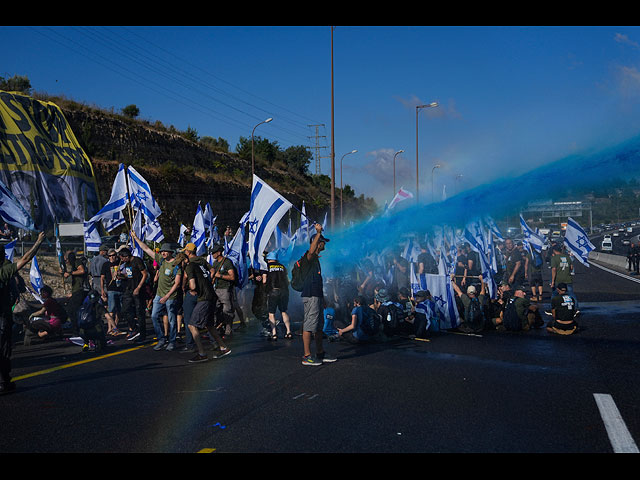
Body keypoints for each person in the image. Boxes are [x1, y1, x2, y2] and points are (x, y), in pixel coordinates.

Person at [0, 231, 46, 395]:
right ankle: (4, 381)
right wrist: (38, 242)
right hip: (2, 316)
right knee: (3, 349)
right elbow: (25, 259)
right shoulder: (3, 271)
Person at [132, 235, 182, 351]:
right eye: (162, 251)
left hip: (170, 296)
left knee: (171, 319)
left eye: (165, 251)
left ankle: (172, 341)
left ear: (170, 252)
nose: (163, 253)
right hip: (159, 294)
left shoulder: (176, 265)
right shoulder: (161, 260)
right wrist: (136, 238)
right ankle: (161, 339)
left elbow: (177, 283)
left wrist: (167, 296)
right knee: (154, 316)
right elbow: (146, 249)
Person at [182, 243, 230, 363]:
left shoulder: (190, 265)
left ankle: (202, 353)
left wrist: (189, 287)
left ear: (187, 254)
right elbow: (212, 271)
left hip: (203, 297)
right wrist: (207, 281)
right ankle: (223, 348)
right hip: (211, 295)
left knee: (192, 325)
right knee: (209, 325)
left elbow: (192, 285)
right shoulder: (201, 262)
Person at [298, 223, 336, 366]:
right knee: (309, 325)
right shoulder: (309, 257)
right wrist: (318, 233)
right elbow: (311, 250)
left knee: (318, 326)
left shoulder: (317, 260)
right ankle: (306, 356)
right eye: (322, 242)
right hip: (310, 295)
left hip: (317, 296)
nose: (324, 244)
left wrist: (323, 298)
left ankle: (320, 353)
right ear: (318, 243)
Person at [116, 247, 148, 342]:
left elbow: (144, 274)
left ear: (126, 256)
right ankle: (134, 327)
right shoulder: (126, 264)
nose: (121, 260)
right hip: (129, 289)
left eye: (122, 258)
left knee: (139, 313)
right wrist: (121, 275)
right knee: (124, 310)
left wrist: (138, 287)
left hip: (138, 289)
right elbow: (129, 275)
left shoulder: (137, 261)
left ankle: (142, 334)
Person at [210, 244, 237, 338]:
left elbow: (232, 277)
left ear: (219, 252)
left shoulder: (227, 262)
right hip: (216, 288)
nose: (212, 254)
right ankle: (219, 328)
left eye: (214, 252)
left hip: (225, 289)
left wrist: (220, 276)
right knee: (216, 309)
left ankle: (228, 330)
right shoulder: (215, 263)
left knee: (227, 310)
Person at [264, 251, 292, 340]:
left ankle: (274, 333)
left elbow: (264, 281)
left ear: (268, 259)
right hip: (284, 291)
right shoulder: (282, 267)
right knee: (284, 311)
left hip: (273, 291)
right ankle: (288, 332)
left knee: (271, 313)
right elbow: (288, 280)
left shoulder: (266, 267)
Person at [62, 250, 88, 334]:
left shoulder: (77, 262)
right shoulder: (73, 265)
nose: (67, 261)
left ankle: (76, 329)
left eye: (67, 259)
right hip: (76, 291)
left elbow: (82, 270)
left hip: (80, 290)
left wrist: (70, 273)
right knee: (71, 309)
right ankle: (76, 327)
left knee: (72, 309)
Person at [100, 248, 123, 336]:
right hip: (111, 289)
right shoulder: (105, 265)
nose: (112, 257)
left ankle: (115, 327)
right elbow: (102, 278)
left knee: (119, 310)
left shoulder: (120, 264)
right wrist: (102, 290)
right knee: (111, 310)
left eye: (113, 255)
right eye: (110, 256)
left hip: (120, 288)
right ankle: (110, 328)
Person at [550, 242, 577, 309]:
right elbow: (571, 267)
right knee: (571, 294)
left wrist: (552, 281)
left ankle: (553, 308)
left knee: (554, 294)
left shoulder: (554, 258)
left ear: (554, 250)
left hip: (558, 279)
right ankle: (576, 307)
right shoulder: (567, 257)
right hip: (567, 278)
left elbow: (554, 269)